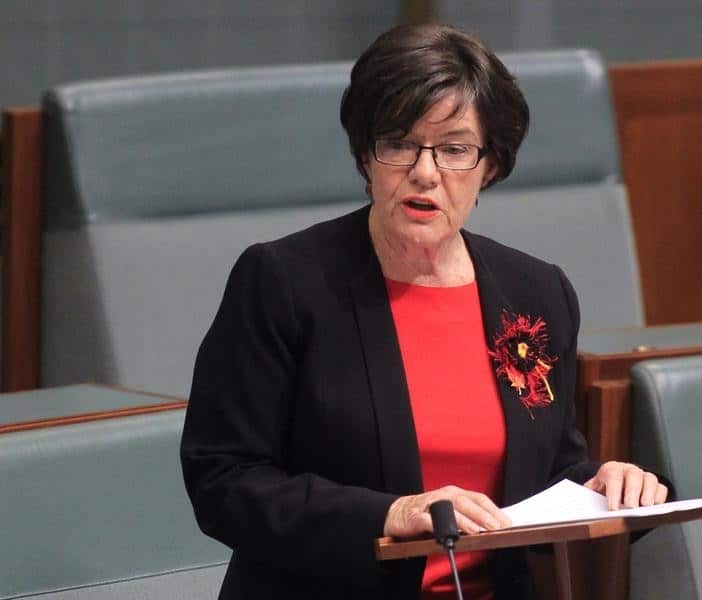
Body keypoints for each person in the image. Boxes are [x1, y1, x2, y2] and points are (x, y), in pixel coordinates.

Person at [180, 23, 669, 599]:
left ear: (490, 165)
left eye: (455, 150)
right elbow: (223, 480)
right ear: (366, 155)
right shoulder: (284, 282)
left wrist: (602, 485)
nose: (425, 172)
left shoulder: (537, 293)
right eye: (399, 143)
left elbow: (544, 475)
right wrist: (390, 514)